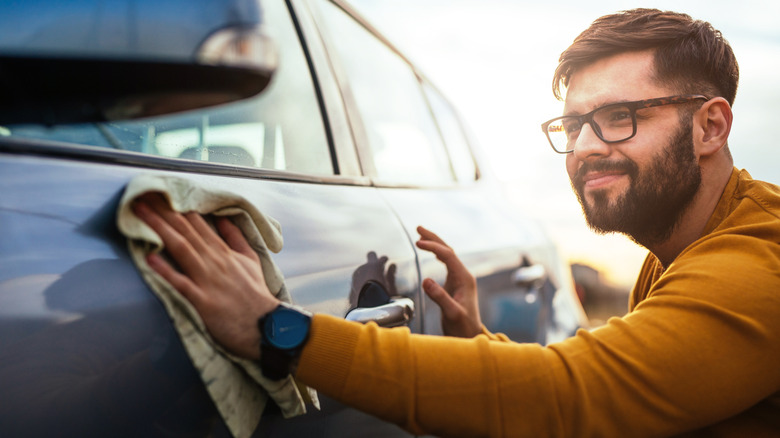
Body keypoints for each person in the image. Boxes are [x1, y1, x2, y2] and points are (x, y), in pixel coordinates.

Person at [132, 8, 780, 437]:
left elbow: (575, 399)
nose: (585, 147)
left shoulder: (757, 267)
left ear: (711, 126)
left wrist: (280, 333)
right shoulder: (678, 249)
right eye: (574, 124)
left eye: (619, 118)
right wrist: (477, 345)